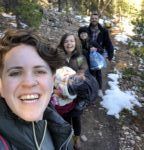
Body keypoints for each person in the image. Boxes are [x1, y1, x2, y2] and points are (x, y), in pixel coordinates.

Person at [0, 29, 74, 150]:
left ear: (52, 81)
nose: (29, 83)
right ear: (1, 86)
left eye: (39, 71)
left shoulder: (59, 128)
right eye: (15, 73)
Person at [78, 11, 114, 97]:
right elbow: (81, 38)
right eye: (92, 18)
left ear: (98, 19)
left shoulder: (103, 31)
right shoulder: (86, 30)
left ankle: (99, 89)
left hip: (97, 54)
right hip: (86, 54)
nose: (94, 20)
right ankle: (88, 89)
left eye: (96, 18)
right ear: (90, 19)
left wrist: (110, 55)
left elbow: (108, 43)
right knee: (88, 72)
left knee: (97, 71)